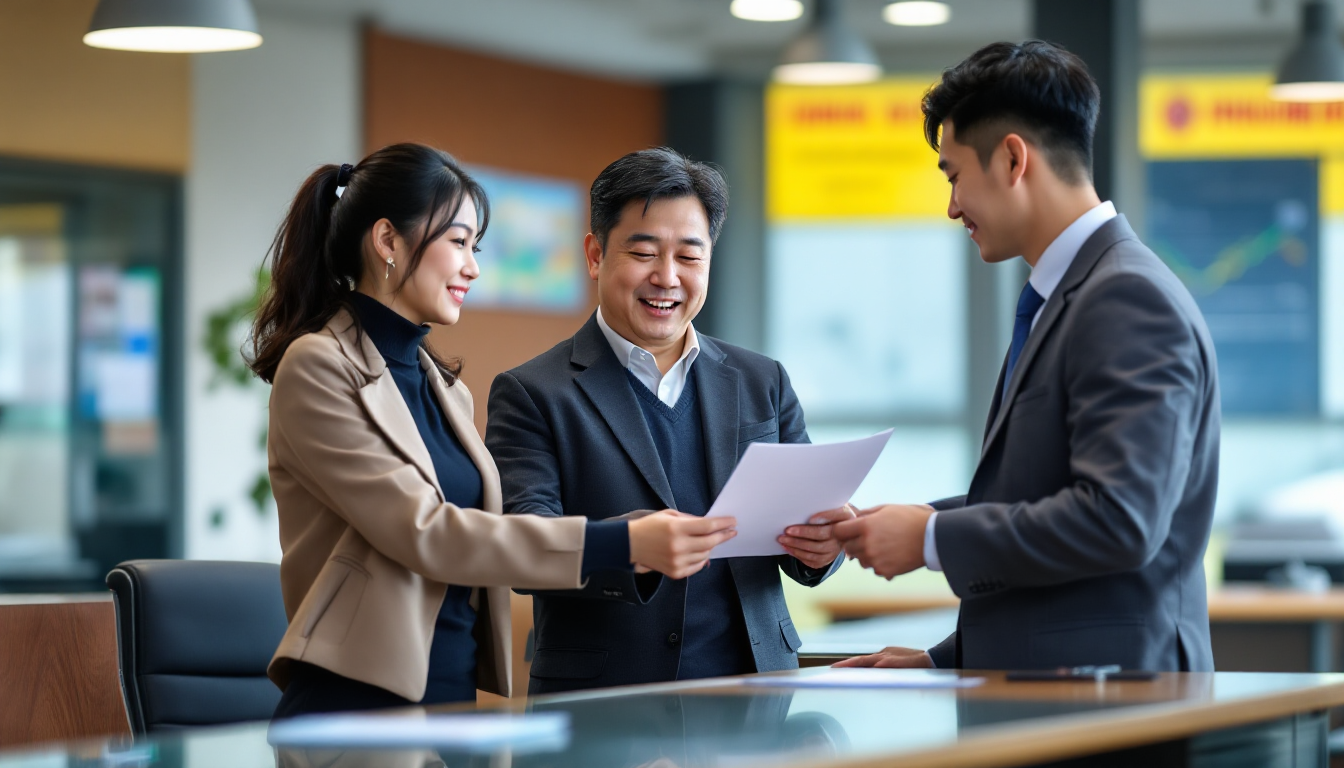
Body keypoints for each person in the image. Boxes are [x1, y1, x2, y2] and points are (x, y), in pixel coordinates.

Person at [249, 143, 738, 718]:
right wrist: (620, 545)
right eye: (458, 242)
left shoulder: (442, 386)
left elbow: (483, 530)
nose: (473, 267)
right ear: (387, 242)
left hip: (450, 693)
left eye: (474, 247)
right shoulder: (318, 365)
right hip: (358, 699)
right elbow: (425, 532)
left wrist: (625, 534)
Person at [826, 41, 1220, 672]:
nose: (952, 206)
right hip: (1065, 687)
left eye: (954, 176)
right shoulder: (1070, 293)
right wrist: (944, 656)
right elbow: (1047, 495)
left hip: (1117, 704)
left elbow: (1120, 521)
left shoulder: (1125, 298)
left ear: (1012, 158)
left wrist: (929, 539)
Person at [485, 147, 848, 695]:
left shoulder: (762, 381)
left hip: (758, 695)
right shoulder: (533, 393)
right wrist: (631, 547)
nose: (667, 277)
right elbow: (524, 551)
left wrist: (825, 547)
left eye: (689, 256)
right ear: (594, 254)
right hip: (605, 701)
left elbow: (808, 528)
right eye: (644, 252)